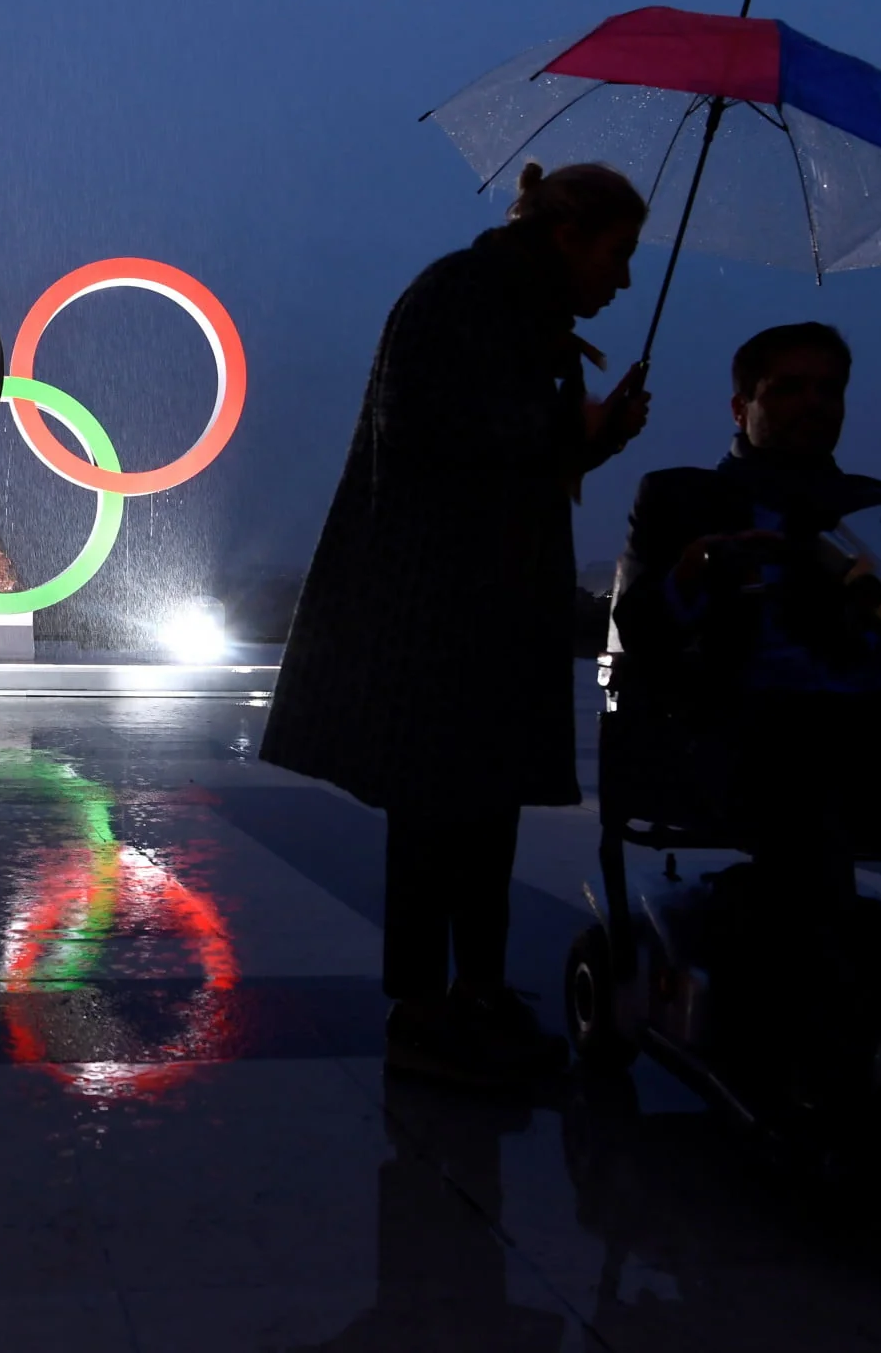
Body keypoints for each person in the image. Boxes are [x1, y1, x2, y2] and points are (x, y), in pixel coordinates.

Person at [261, 160, 651, 1085]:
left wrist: (590, 439)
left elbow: (490, 450)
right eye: (616, 253)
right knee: (444, 806)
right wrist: (574, 436)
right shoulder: (470, 299)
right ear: (566, 236)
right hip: (444, 604)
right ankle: (428, 1006)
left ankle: (467, 991)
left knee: (474, 802)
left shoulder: (495, 301)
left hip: (478, 599)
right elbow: (444, 439)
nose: (624, 278)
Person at [611, 323, 881, 1099]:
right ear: (740, 406)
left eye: (828, 389)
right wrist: (695, 572)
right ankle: (826, 1011)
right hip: (736, 723)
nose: (814, 404)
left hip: (868, 719)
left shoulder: (876, 506)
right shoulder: (683, 497)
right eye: (789, 388)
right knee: (802, 744)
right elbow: (640, 626)